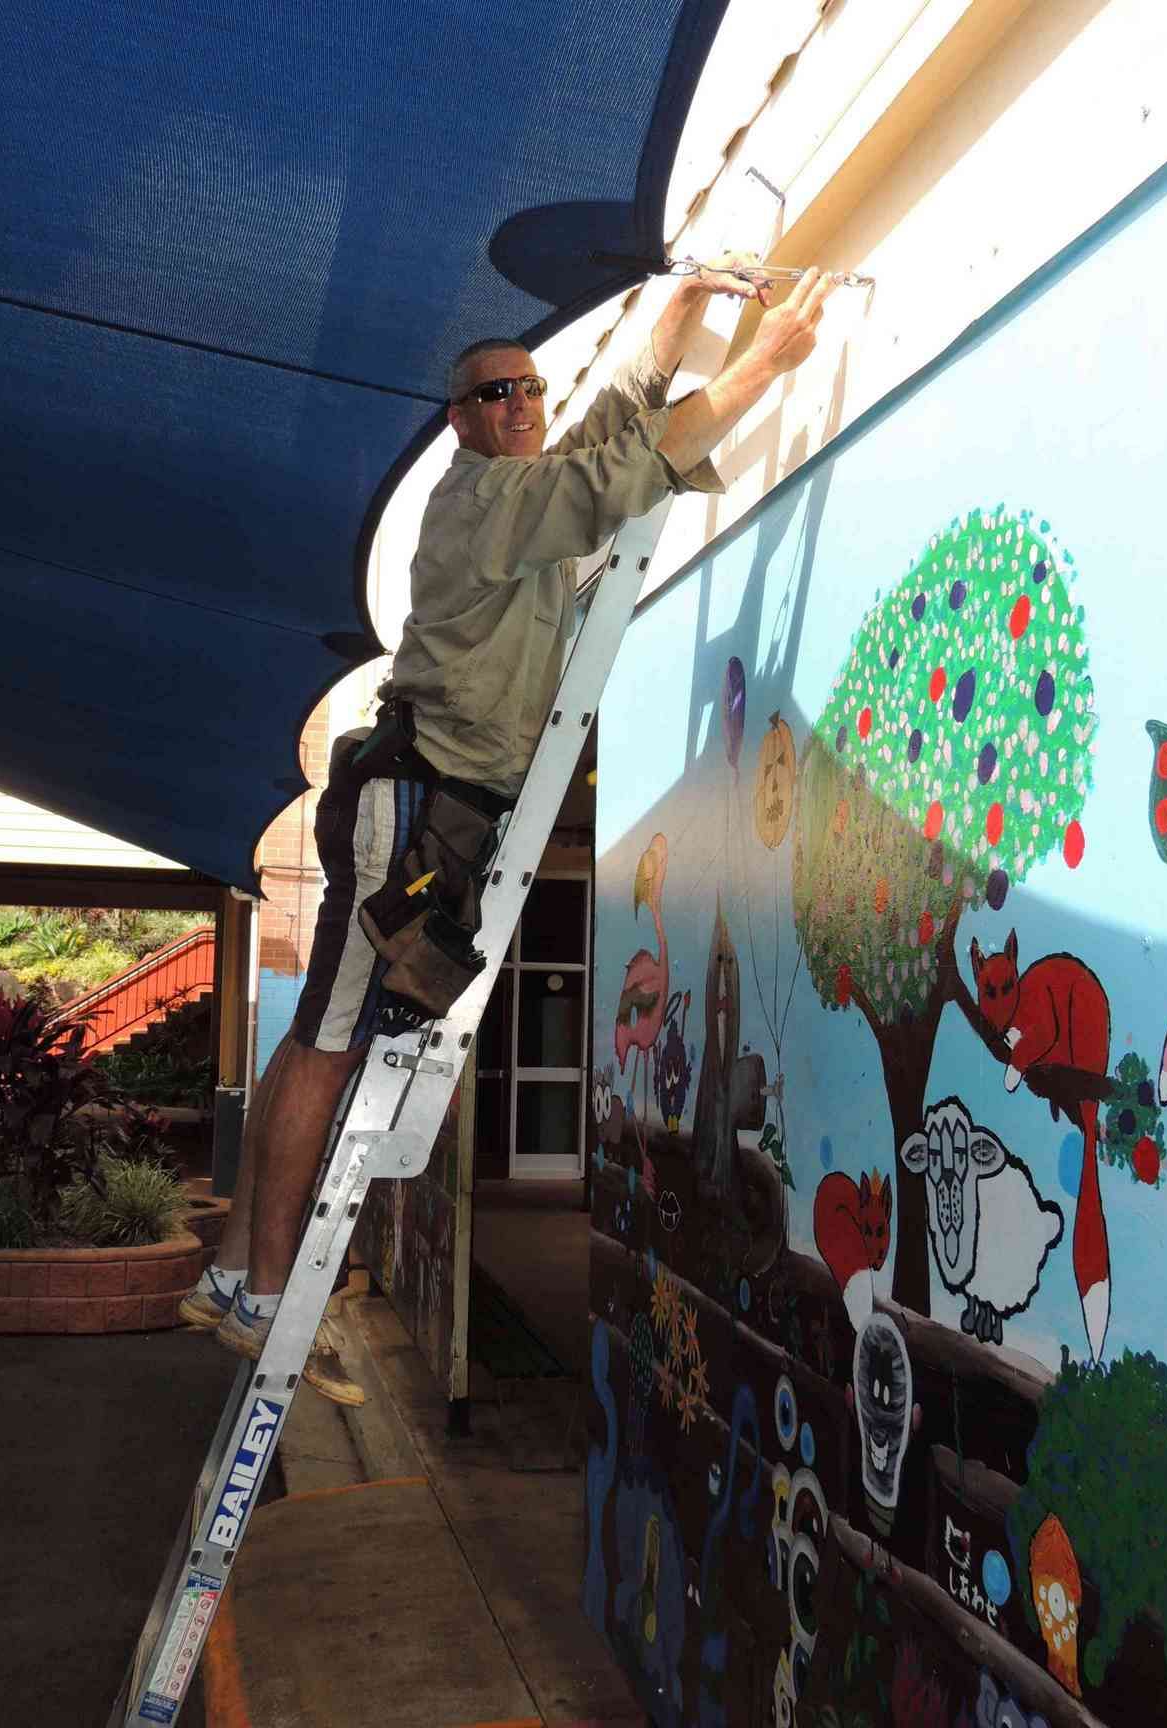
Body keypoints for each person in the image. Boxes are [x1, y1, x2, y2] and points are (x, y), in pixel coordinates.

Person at [179, 257, 836, 1402]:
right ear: (458, 423)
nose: (521, 404)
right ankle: (269, 1297)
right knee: (327, 1051)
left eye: (530, 387)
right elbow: (610, 479)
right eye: (495, 395)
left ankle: (237, 1270)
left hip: (424, 807)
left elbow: (593, 439)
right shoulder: (483, 502)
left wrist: (666, 332)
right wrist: (761, 369)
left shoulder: (519, 494)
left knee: (315, 1043)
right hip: (415, 811)